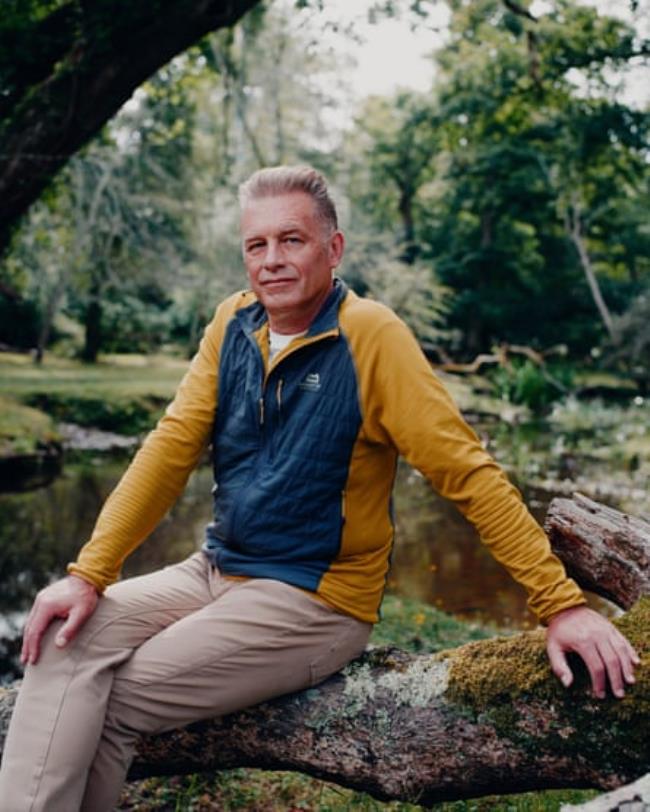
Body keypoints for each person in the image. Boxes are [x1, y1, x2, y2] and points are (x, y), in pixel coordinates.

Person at [0, 166, 638, 812]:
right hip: (214, 569)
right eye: (256, 244)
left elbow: (467, 474)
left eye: (291, 240)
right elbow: (169, 450)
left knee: (112, 694)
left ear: (333, 249)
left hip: (315, 600)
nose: (271, 260)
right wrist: (89, 574)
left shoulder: (373, 337)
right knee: (62, 639)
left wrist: (560, 605)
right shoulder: (232, 324)